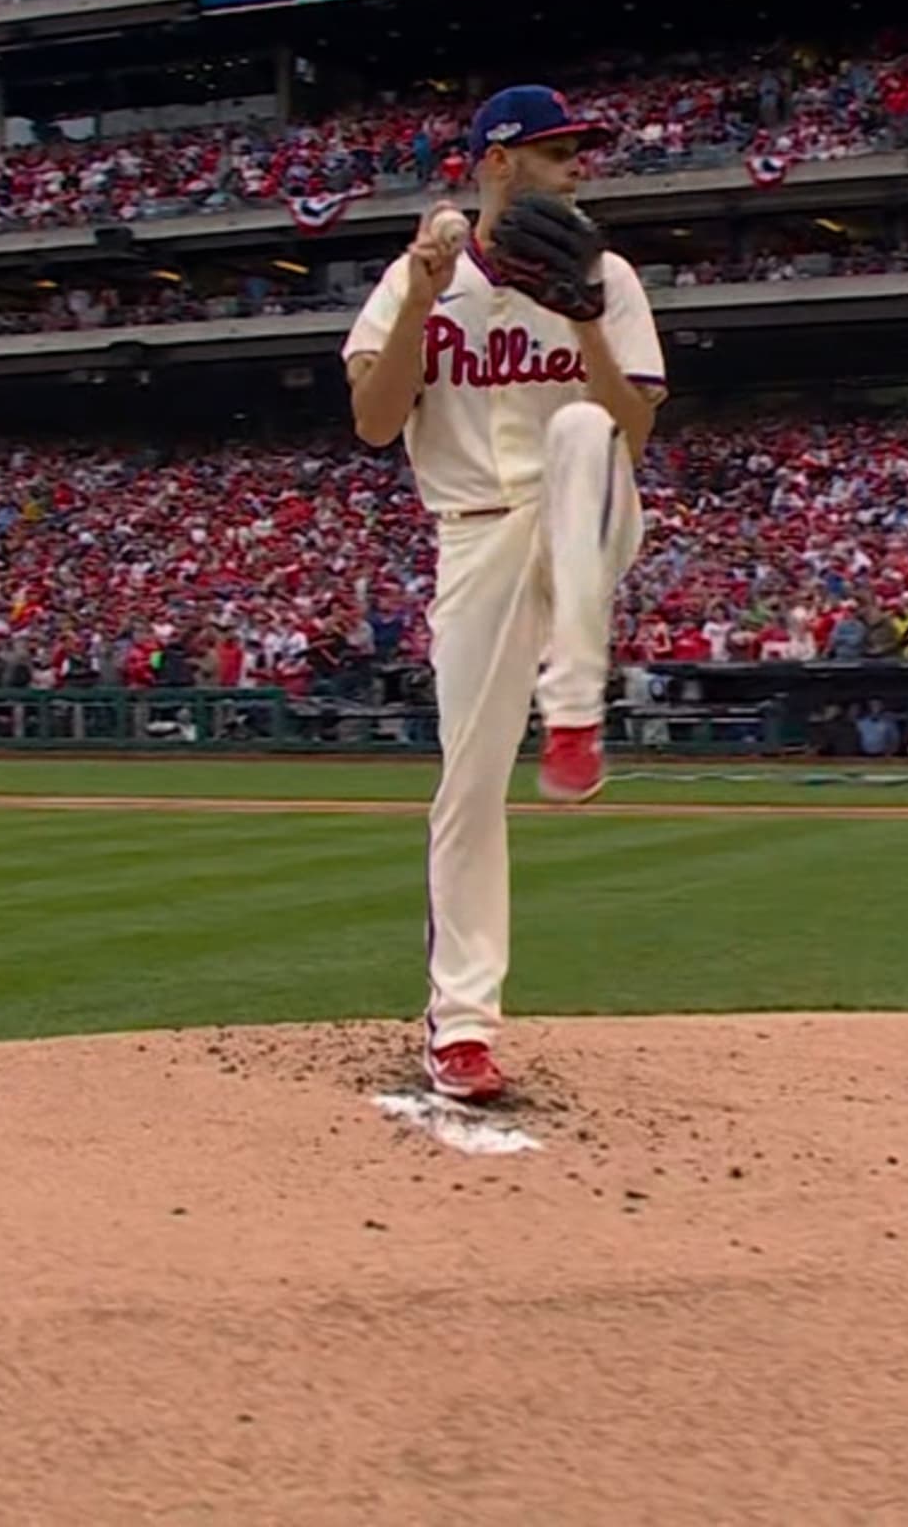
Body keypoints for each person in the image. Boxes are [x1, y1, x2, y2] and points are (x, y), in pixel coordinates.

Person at [341, 83, 664, 1105]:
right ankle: (462, 1031)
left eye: (579, 153)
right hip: (474, 536)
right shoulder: (419, 277)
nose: (576, 168)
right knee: (468, 786)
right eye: (556, 152)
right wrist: (427, 290)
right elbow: (375, 422)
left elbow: (634, 435)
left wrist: (587, 323)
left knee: (577, 433)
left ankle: (572, 715)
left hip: (584, 512)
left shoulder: (602, 273)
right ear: (495, 164)